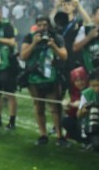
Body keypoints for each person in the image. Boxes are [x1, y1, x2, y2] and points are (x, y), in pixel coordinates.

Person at [19, 15, 68, 146]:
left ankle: (60, 135)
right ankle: (43, 134)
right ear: (36, 26)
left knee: (55, 108)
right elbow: (23, 56)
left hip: (51, 76)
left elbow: (64, 56)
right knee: (38, 106)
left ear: (49, 25)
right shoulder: (29, 37)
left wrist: (53, 46)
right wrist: (34, 43)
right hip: (34, 77)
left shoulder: (56, 37)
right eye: (39, 25)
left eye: (45, 25)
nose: (42, 28)